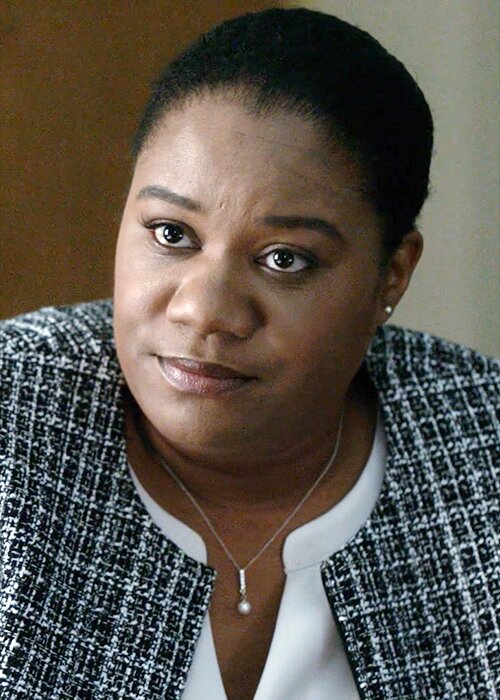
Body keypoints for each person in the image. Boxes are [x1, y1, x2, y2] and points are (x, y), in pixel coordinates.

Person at [0, 7, 498, 699]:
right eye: (171, 233)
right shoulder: (15, 413)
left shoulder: (480, 450)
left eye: (284, 258)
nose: (206, 311)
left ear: (391, 276)